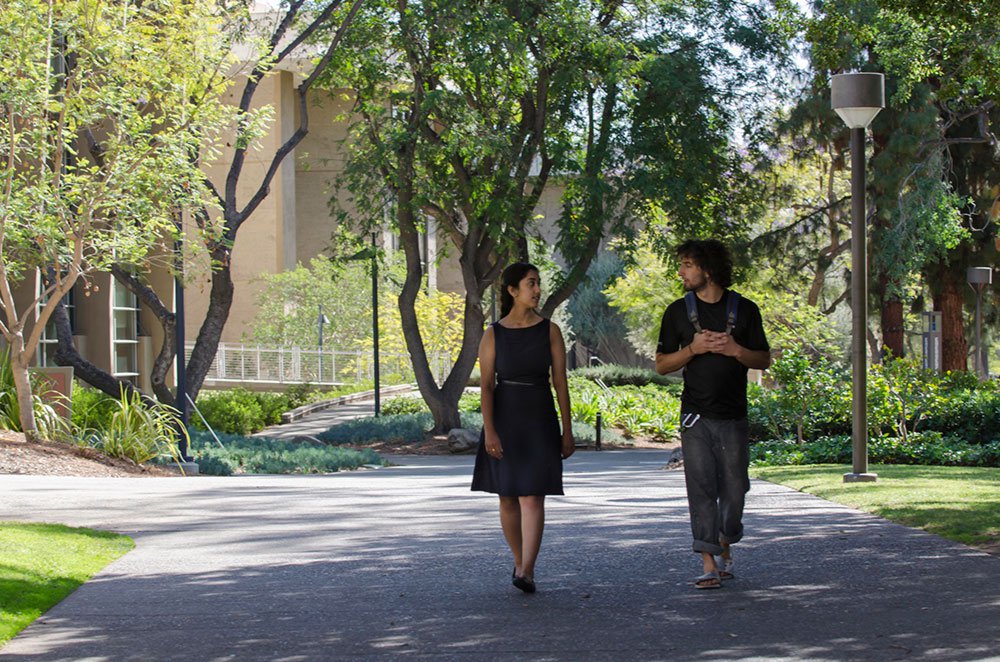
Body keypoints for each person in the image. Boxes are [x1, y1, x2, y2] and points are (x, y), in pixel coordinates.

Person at [655, 239, 771, 590]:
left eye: (688, 265)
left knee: (735, 489)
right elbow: (662, 365)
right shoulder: (677, 312)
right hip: (695, 416)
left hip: (733, 416)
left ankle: (726, 536)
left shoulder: (745, 310)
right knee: (701, 487)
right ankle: (708, 563)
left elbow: (763, 359)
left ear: (708, 269)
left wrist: (736, 350)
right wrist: (693, 348)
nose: (681, 272)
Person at [471, 262, 575, 594]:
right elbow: (486, 386)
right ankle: (519, 562)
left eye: (538, 283)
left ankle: (527, 570)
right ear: (512, 290)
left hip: (540, 417)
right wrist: (490, 430)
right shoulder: (493, 334)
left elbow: (561, 383)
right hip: (504, 417)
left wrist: (568, 429)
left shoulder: (550, 331)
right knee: (507, 496)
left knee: (533, 494)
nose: (537, 289)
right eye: (531, 283)